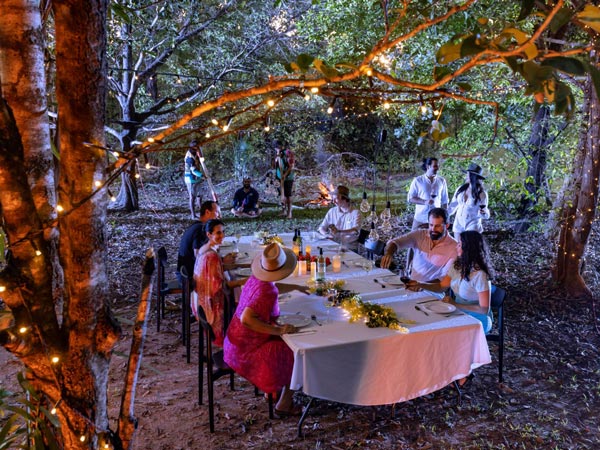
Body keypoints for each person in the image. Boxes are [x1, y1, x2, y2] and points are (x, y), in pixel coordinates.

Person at [223, 243, 302, 417]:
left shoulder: (257, 278)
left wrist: (297, 288)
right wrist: (279, 330)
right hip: (246, 351)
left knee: (285, 343)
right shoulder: (267, 292)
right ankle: (284, 404)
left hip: (233, 342)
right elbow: (247, 318)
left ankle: (271, 390)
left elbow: (272, 288)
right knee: (296, 353)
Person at [404, 231, 494, 333]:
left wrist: (456, 304)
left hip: (478, 318)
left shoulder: (480, 275)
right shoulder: (458, 265)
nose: (456, 247)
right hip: (458, 312)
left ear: (468, 249)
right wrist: (420, 284)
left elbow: (484, 309)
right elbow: (442, 286)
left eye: (459, 245)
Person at [192, 219, 247, 347]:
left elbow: (212, 274)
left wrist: (224, 262)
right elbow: (220, 286)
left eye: (223, 232)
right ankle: (235, 340)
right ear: (209, 235)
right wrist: (244, 281)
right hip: (209, 303)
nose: (222, 236)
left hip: (199, 299)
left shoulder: (205, 248)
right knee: (241, 300)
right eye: (218, 233)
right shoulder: (212, 256)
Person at [380, 208, 457, 282]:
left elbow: (445, 279)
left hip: (433, 292)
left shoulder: (454, 247)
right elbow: (395, 242)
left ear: (447, 225)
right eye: (431, 225)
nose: (433, 229)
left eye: (437, 226)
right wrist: (389, 254)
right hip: (412, 286)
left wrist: (422, 285)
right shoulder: (420, 235)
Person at [177, 200, 220, 281]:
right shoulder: (200, 229)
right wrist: (221, 260)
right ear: (207, 212)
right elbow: (198, 256)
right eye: (217, 212)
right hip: (189, 276)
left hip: (185, 270)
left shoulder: (197, 225)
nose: (218, 215)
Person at [448, 162, 490, 235]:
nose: (466, 176)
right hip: (458, 223)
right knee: (457, 245)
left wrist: (483, 213)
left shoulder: (481, 193)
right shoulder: (460, 189)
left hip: (472, 224)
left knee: (469, 245)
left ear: (473, 176)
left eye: (468, 174)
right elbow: (453, 206)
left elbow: (485, 212)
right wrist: (444, 215)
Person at [407, 157, 449, 230]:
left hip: (436, 219)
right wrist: (424, 202)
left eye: (438, 166)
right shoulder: (417, 181)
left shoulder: (441, 181)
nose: (437, 168)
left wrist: (446, 217)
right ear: (428, 166)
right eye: (435, 166)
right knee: (415, 240)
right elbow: (410, 198)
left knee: (435, 241)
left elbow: (445, 201)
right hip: (420, 218)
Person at [317, 185, 362, 251]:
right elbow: (321, 228)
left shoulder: (356, 213)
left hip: (349, 248)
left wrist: (339, 231)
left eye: (336, 199)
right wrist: (327, 235)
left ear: (344, 198)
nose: (333, 201)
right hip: (333, 246)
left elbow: (355, 231)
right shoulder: (332, 211)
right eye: (333, 199)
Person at [274, 142, 295, 219]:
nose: (277, 149)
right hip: (280, 177)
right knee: (282, 194)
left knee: (288, 195)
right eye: (276, 148)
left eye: (278, 147)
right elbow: (277, 166)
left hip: (288, 177)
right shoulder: (278, 154)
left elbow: (291, 166)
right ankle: (284, 210)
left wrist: (285, 175)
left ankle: (289, 212)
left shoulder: (288, 153)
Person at [184, 139, 204, 219]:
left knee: (199, 195)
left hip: (197, 178)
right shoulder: (189, 157)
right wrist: (202, 175)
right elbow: (193, 170)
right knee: (192, 196)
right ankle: (193, 215)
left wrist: (200, 154)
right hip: (191, 179)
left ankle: (202, 213)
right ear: (193, 147)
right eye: (197, 147)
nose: (198, 148)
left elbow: (201, 160)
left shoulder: (196, 153)